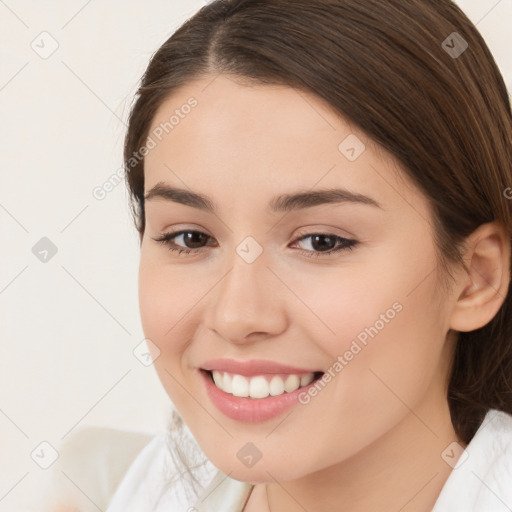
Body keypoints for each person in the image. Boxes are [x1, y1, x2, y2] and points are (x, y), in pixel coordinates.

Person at [59, 0, 512, 510]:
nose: (237, 316)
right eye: (190, 238)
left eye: (322, 241)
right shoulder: (133, 491)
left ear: (476, 278)